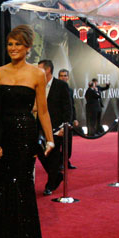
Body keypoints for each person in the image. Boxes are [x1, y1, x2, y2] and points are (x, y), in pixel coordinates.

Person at [0, 24, 54, 238]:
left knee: (21, 187)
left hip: (24, 135)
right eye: (10, 44)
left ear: (28, 48)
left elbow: (42, 110)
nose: (12, 48)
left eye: (18, 44)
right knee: (1, 187)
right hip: (3, 134)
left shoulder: (37, 74)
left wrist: (50, 139)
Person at [37, 60, 72, 196]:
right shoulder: (37, 84)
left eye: (40, 69)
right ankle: (56, 175)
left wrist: (65, 125)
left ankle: (50, 184)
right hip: (39, 127)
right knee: (40, 152)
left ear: (48, 70)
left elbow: (67, 107)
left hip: (57, 127)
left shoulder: (61, 86)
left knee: (54, 156)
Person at [58, 69, 78, 169]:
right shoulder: (55, 89)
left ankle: (66, 161)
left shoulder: (70, 90)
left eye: (65, 76)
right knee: (59, 143)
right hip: (58, 121)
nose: (63, 77)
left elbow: (72, 105)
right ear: (58, 77)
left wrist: (75, 118)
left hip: (69, 121)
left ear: (68, 77)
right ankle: (59, 162)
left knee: (68, 143)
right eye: (61, 76)